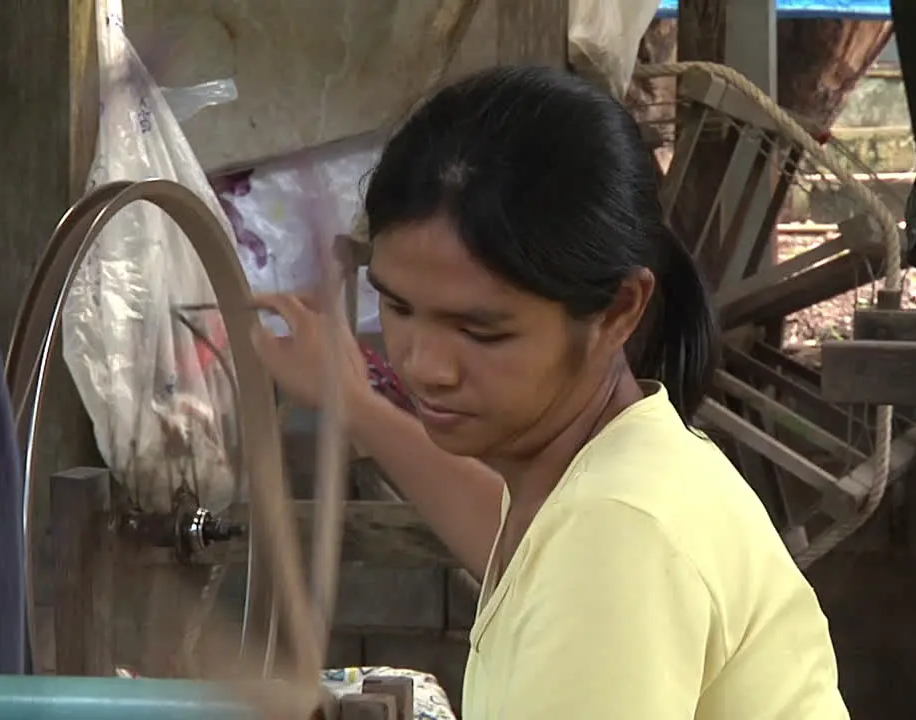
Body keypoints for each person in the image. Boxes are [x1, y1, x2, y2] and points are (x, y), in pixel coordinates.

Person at [251, 66, 849, 719]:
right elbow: (521, 551)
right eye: (397, 306)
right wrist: (356, 401)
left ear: (620, 309)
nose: (424, 366)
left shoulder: (618, 535)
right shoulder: (606, 474)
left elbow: (580, 566)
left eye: (479, 330)